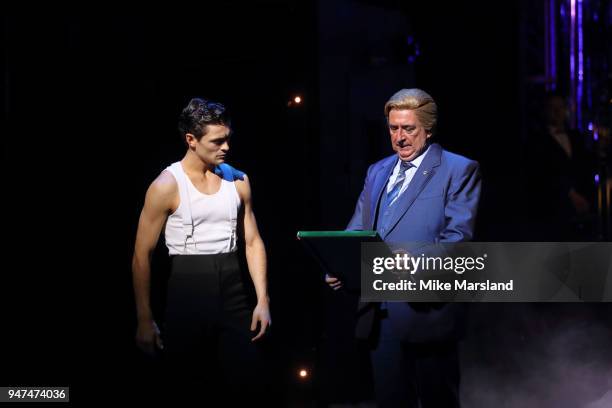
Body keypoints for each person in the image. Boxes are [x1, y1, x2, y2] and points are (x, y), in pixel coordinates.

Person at [326, 88, 481, 407]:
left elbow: (458, 240)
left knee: (439, 400)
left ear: (428, 128)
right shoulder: (377, 171)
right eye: (393, 128)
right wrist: (340, 262)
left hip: (428, 312)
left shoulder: (458, 169)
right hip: (380, 315)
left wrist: (413, 259)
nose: (399, 137)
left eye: (408, 128)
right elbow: (357, 229)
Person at [131, 98, 271, 402]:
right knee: (188, 384)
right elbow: (142, 255)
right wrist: (144, 317)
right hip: (187, 288)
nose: (226, 147)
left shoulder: (238, 180)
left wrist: (262, 298)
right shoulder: (166, 185)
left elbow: (252, 241)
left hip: (232, 288)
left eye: (228, 139)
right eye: (217, 141)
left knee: (247, 383)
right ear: (191, 140)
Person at [526, 92, 595, 241]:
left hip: (582, 207)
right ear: (545, 111)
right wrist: (570, 194)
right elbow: (543, 174)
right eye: (552, 108)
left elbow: (584, 167)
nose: (557, 111)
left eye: (561, 107)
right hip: (554, 209)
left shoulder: (576, 136)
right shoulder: (537, 141)